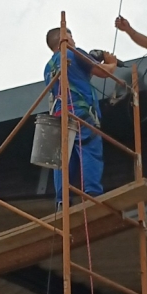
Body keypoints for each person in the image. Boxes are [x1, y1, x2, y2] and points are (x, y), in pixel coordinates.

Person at [44, 27, 119, 205]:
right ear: (64, 37)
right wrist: (112, 62)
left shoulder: (48, 67)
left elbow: (74, 79)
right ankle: (92, 194)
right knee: (88, 149)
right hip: (79, 112)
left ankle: (62, 201)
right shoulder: (74, 52)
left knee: (63, 159)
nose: (73, 40)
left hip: (59, 116)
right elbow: (103, 72)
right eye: (71, 36)